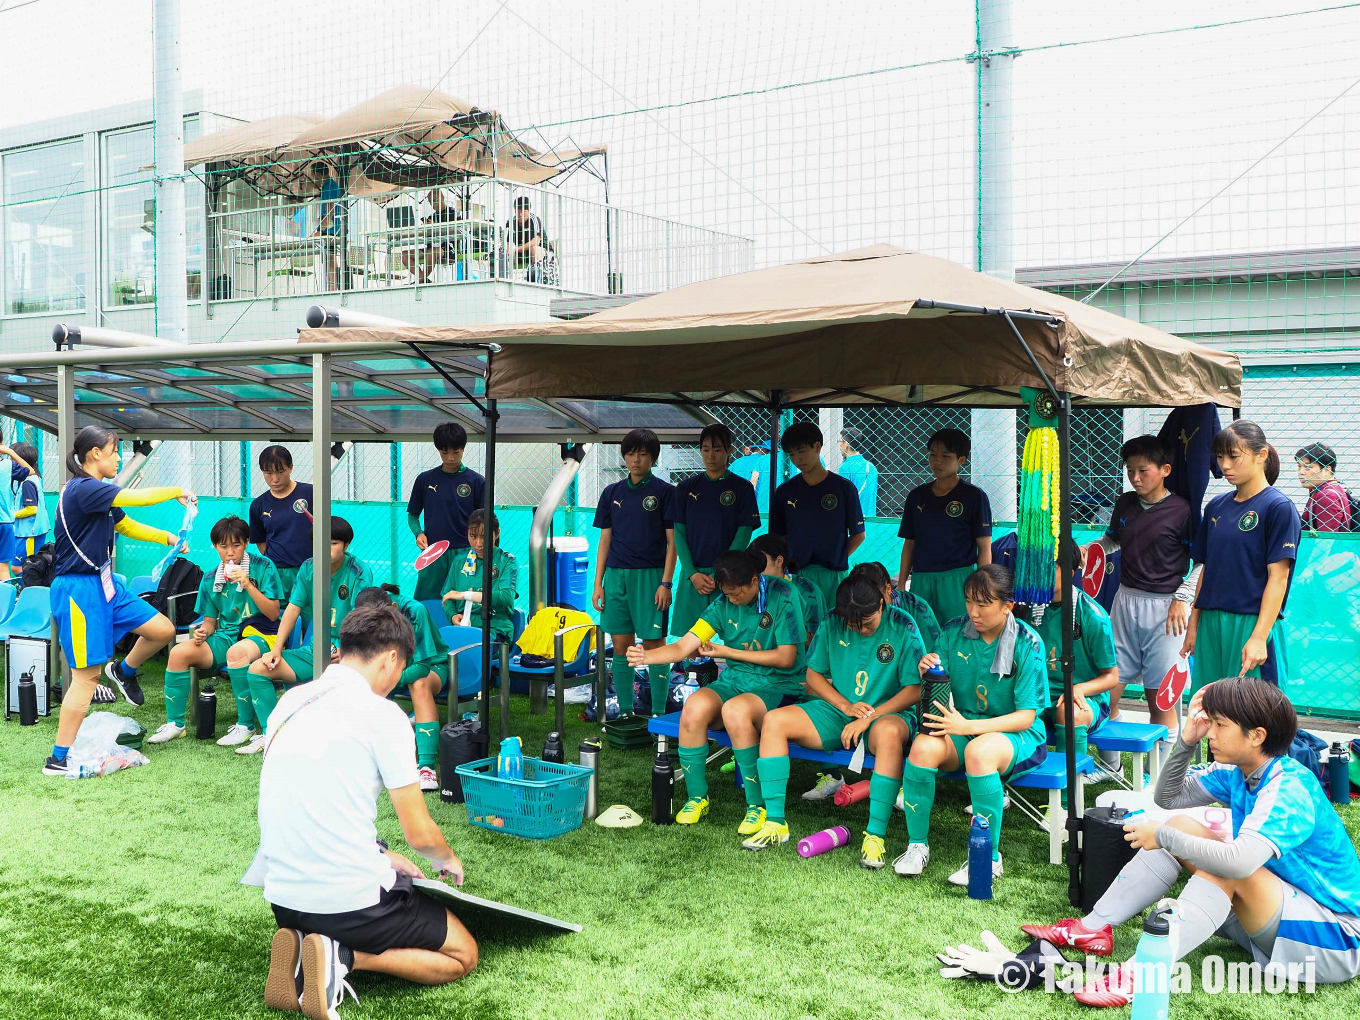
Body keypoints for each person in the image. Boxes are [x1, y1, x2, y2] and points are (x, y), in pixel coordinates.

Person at [1023, 677, 1360, 1007]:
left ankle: (1142, 973)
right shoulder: (1240, 770)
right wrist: (1186, 742)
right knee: (1182, 824)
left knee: (1223, 867)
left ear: (1257, 736)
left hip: (1334, 941)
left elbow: (1239, 863)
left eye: (1220, 725)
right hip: (1282, 917)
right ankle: (1092, 928)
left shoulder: (1290, 787)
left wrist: (1162, 835)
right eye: (1210, 722)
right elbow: (1169, 798)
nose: (1210, 733)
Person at [246, 602, 475, 1019]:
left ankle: (305, 946)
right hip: (346, 903)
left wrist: (383, 856)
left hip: (282, 899)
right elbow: (420, 833)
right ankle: (343, 957)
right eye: (403, 666)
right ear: (391, 658)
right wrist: (447, 860)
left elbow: (317, 800)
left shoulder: (290, 701)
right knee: (464, 954)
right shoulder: (384, 716)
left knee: (381, 872)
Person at [43, 426, 193, 776]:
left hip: (106, 585)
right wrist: (176, 491)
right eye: (114, 452)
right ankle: (57, 759)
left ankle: (123, 671)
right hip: (79, 590)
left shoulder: (98, 495)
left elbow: (126, 526)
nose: (119, 458)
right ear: (94, 454)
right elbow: (136, 499)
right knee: (85, 679)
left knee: (163, 629)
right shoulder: (84, 489)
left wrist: (167, 536)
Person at [747, 575, 925, 868]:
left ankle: (875, 837)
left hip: (888, 713)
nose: (861, 630)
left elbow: (915, 690)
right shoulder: (832, 621)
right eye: (853, 625)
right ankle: (776, 823)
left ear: (882, 603)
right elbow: (812, 675)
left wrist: (870, 716)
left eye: (867, 623)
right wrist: (846, 706)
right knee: (775, 721)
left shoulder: (903, 625)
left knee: (891, 733)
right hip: (840, 710)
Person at [627, 549, 806, 833]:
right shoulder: (722, 602)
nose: (731, 599)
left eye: (736, 593)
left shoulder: (783, 594)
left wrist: (728, 651)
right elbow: (682, 646)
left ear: (753, 580)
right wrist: (645, 657)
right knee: (694, 707)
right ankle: (698, 797)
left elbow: (786, 658)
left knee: (735, 711)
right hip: (736, 679)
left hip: (778, 683)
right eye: (727, 593)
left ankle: (756, 806)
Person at [893, 564, 1049, 883]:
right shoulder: (953, 630)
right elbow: (940, 679)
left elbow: (1026, 716)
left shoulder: (1027, 642)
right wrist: (929, 668)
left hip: (1015, 733)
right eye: (969, 601)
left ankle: (987, 859)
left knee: (979, 753)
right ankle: (916, 846)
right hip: (963, 724)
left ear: (1008, 605)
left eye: (983, 604)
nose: (973, 612)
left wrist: (967, 727)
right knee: (922, 747)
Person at [1092, 436, 1196, 765]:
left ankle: (1161, 779)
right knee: (1105, 693)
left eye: (1143, 470)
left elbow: (1202, 561)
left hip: (1169, 611)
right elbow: (1113, 540)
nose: (1135, 477)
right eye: (1130, 470)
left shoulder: (1183, 509)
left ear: (1165, 470)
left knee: (1162, 701)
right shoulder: (1124, 503)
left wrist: (1182, 597)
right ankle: (1111, 766)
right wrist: (1090, 550)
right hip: (1124, 603)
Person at [1182, 421, 1301, 694]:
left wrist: (1259, 637)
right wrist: (1194, 623)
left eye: (1234, 456)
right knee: (1209, 706)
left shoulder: (1278, 507)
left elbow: (1278, 578)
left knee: (1253, 714)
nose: (1225, 465)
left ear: (1262, 455)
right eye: (1220, 457)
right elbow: (1206, 569)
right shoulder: (1216, 506)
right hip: (1211, 621)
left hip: (1251, 622)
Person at [150, 515, 285, 747]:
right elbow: (211, 622)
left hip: (262, 633)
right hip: (227, 635)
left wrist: (248, 584)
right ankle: (175, 724)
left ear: (246, 543)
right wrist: (203, 631)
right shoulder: (211, 577)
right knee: (179, 653)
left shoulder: (264, 567)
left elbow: (273, 613)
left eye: (236, 545)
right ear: (215, 546)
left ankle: (245, 725)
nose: (230, 552)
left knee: (237, 653)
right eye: (223, 546)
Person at [243, 516, 370, 756]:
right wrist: (277, 650)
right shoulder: (309, 567)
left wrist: (348, 651)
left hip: (349, 649)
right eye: (320, 543)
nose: (325, 549)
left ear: (346, 545)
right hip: (316, 648)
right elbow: (292, 609)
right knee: (258, 669)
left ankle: (340, 742)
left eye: (332, 543)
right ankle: (274, 735)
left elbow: (363, 617)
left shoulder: (359, 571)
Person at [1025, 544, 1118, 808]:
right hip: (1039, 694)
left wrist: (1079, 689)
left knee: (1070, 711)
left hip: (1084, 699)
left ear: (1071, 570)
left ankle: (1068, 804)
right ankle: (1002, 791)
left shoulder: (1093, 615)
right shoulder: (1028, 609)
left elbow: (1111, 677)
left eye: (1050, 565)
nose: (1041, 572)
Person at [592, 428, 677, 717]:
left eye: (642, 454)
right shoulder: (611, 492)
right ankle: (626, 712)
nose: (636, 459)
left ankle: (658, 713)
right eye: (631, 453)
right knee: (621, 645)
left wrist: (666, 582)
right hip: (615, 577)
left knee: (654, 645)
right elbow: (605, 540)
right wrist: (598, 583)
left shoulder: (666, 492)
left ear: (653, 457)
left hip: (651, 577)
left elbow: (672, 542)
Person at [670, 424, 761, 637]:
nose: (711, 455)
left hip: (729, 576)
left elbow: (744, 530)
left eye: (718, 449)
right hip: (695, 576)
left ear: (729, 450)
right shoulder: (685, 488)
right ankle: (696, 672)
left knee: (736, 638)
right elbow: (679, 534)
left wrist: (724, 573)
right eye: (706, 449)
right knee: (692, 642)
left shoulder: (742, 488)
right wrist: (692, 573)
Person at [356, 587, 450, 792]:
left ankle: (426, 768)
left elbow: (423, 666)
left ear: (394, 608)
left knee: (418, 683)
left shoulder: (417, 611)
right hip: (393, 668)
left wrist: (387, 679)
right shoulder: (366, 613)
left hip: (433, 666)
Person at [897, 428, 993, 627]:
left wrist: (982, 586)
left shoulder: (974, 496)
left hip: (958, 580)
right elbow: (909, 543)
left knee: (957, 635)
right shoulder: (916, 496)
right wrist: (901, 584)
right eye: (932, 454)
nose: (936, 461)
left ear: (961, 460)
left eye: (945, 456)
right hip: (922, 579)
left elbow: (984, 547)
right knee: (922, 636)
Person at [769, 421, 866, 611]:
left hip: (833, 576)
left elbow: (858, 534)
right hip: (797, 575)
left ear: (817, 447)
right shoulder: (784, 492)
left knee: (833, 628)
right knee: (799, 631)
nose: (797, 458)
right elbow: (777, 538)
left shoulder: (844, 489)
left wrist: (837, 557)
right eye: (791, 454)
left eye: (801, 451)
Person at [408, 422, 485, 602]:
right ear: (438, 450)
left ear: (464, 449)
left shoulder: (477, 481)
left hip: (466, 552)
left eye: (456, 452)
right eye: (444, 452)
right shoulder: (425, 479)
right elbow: (412, 515)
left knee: (463, 600)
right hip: (433, 552)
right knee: (426, 601)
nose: (450, 457)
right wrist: (418, 533)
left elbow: (484, 521)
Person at [440, 509, 518, 645]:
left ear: (497, 533)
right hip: (464, 628)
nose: (479, 543)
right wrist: (453, 616)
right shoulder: (460, 560)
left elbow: (506, 597)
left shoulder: (507, 561)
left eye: (484, 536)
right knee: (435, 654)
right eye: (473, 536)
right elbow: (448, 598)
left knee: (473, 652)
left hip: (495, 629)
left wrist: (465, 595)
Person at [248, 445, 314, 596]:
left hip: (310, 569)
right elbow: (261, 541)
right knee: (279, 616)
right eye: (268, 473)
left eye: (280, 472)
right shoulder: (258, 505)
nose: (275, 479)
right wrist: (278, 562)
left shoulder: (310, 493)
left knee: (311, 616)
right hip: (277, 572)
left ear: (291, 468)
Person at [848, 560, 942, 652]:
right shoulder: (848, 608)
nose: (869, 607)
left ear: (888, 589)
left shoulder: (918, 609)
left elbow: (935, 652)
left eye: (875, 599)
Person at [747, 532, 826, 642]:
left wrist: (782, 622)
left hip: (798, 658)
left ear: (779, 561)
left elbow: (817, 640)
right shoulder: (752, 588)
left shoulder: (808, 592)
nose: (756, 571)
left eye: (761, 563)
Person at [1295, 442, 1352, 532]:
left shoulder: (1326, 496)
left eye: (1308, 467)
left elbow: (1326, 541)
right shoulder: (1334, 487)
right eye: (1299, 466)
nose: (1301, 472)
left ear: (1327, 470)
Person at [8, 441, 47, 571]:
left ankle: (29, 590)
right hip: (31, 531)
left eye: (12, 459)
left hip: (29, 532)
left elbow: (32, 509)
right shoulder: (33, 478)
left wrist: (11, 514)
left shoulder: (28, 482)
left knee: (19, 567)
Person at [0, 439, 35, 582]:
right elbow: (31, 471)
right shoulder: (7, 466)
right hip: (4, 522)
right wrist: (10, 452)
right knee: (3, 567)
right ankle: (4, 603)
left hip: (5, 522)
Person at [504, 195, 554, 283]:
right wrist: (508, 250)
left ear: (528, 210)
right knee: (504, 254)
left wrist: (516, 249)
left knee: (534, 249)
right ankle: (507, 279)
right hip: (521, 252)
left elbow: (536, 241)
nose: (520, 214)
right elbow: (507, 241)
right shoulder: (511, 222)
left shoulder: (534, 220)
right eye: (518, 211)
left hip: (542, 251)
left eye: (523, 211)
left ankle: (535, 278)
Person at [838, 426, 879, 518]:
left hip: (853, 521)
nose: (838, 445)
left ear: (846, 444)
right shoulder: (871, 467)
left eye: (839, 441)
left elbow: (843, 499)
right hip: (871, 520)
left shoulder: (844, 468)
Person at [729, 441, 773, 510]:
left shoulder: (737, 461)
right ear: (765, 450)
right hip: (754, 502)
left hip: (733, 499)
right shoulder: (765, 461)